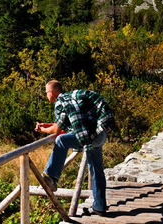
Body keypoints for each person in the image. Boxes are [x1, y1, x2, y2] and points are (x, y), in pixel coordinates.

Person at [35, 80, 115, 216]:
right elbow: (65, 122)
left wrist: (41, 130)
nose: (46, 95)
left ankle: (52, 177)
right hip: (99, 133)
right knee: (96, 170)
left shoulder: (60, 102)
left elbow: (57, 129)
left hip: (90, 137)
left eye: (46, 92)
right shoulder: (72, 99)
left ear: (52, 93)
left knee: (61, 140)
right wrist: (46, 124)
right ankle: (99, 207)